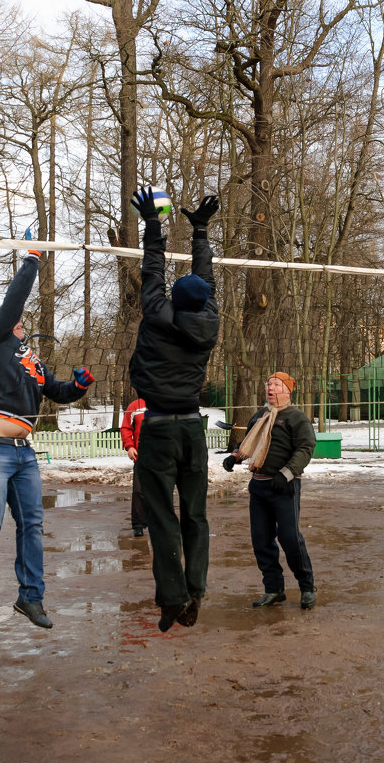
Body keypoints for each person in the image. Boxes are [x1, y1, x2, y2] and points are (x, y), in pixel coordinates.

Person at [0, 237, 95, 632]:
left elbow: (57, 392)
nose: (21, 324)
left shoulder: (31, 361)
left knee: (33, 526)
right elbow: (14, 301)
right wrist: (33, 258)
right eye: (15, 320)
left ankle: (30, 598)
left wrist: (80, 386)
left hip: (23, 452)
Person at [128, 187, 220, 632]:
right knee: (195, 514)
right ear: (203, 301)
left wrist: (153, 224)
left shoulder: (155, 314)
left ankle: (173, 598)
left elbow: (152, 270)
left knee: (162, 515)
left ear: (171, 299)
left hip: (160, 428)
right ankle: (195, 591)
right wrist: (200, 231)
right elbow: (206, 279)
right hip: (193, 431)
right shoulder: (210, 321)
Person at [223, 372, 318, 610]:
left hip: (285, 486)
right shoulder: (260, 416)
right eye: (269, 384)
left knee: (290, 538)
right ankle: (274, 589)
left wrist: (286, 474)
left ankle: (306, 587)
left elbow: (306, 448)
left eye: (276, 384)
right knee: (261, 540)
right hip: (259, 486)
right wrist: (235, 457)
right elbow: (248, 443)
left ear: (288, 390)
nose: (271, 388)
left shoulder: (296, 417)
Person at [120, 395, 148, 537]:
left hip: (162, 457)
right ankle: (138, 525)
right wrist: (130, 446)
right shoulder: (135, 406)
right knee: (139, 491)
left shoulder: (165, 402)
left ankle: (160, 523)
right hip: (141, 457)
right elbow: (125, 428)